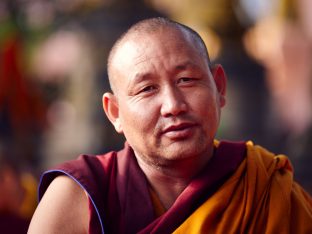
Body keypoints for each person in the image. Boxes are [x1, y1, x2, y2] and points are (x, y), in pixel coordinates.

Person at [28, 17, 312, 234]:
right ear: (114, 112)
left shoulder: (264, 186)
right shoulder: (77, 198)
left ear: (219, 87)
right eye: (147, 89)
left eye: (186, 80)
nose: (173, 105)